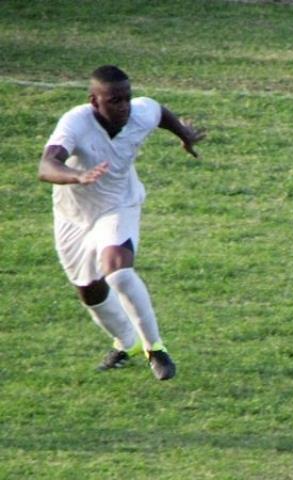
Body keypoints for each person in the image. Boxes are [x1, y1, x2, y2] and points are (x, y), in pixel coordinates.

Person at [38, 65, 205, 381]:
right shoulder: (75, 122)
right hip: (73, 217)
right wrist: (76, 176)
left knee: (119, 270)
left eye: (127, 98)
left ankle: (155, 348)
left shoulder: (140, 113)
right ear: (94, 101)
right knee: (89, 290)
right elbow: (46, 165)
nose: (124, 106)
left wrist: (184, 135)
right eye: (114, 100)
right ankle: (126, 343)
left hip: (119, 205)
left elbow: (158, 112)